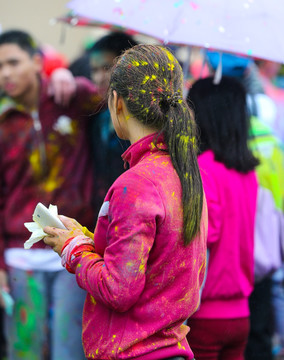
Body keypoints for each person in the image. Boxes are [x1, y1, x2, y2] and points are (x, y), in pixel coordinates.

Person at [43, 44, 208, 360]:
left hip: (136, 351)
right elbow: (148, 262)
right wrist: (84, 237)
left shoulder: (137, 183)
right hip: (167, 347)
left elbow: (118, 289)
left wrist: (72, 250)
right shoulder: (182, 171)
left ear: (117, 103)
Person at [0, 29, 101, 360]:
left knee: (69, 350)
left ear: (37, 62)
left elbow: (105, 98)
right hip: (20, 256)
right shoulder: (3, 122)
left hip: (72, 251)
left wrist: (66, 74)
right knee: (24, 351)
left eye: (13, 62)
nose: (6, 74)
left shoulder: (69, 98)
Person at [186, 76, 259, 360]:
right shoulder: (247, 172)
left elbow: (205, 236)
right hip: (241, 313)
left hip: (206, 313)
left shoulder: (202, 169)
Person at [70, 32, 138, 216]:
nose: (100, 77)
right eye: (94, 70)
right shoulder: (96, 115)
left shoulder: (142, 122)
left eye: (107, 68)